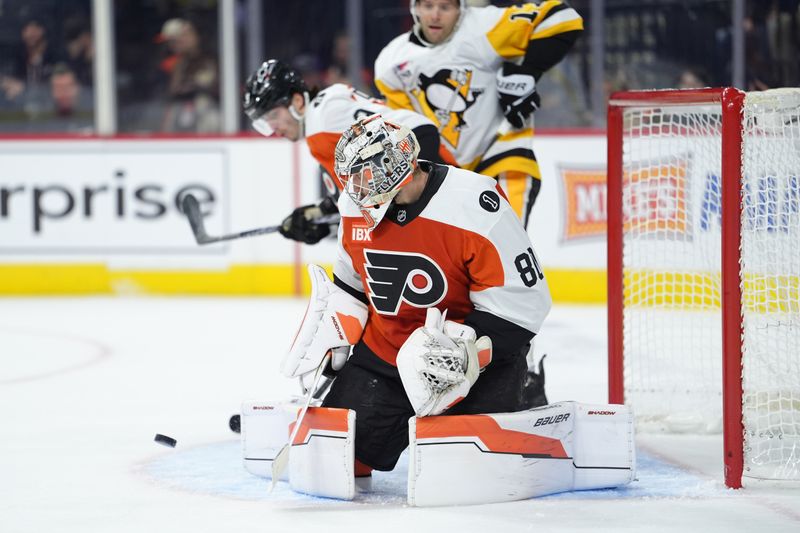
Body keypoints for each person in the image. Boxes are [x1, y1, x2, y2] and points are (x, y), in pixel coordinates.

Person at [282, 115, 552, 474]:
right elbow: (352, 287)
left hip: (468, 365)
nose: (355, 189)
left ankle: (523, 397)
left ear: (393, 167)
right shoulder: (353, 207)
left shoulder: (474, 202)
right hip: (386, 354)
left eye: (365, 175)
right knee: (337, 466)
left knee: (465, 474)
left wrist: (465, 355)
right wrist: (335, 339)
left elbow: (523, 303)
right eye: (352, 177)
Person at [374, 0, 583, 228]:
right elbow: (407, 125)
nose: (435, 15)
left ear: (460, 9)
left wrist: (527, 72)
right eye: (428, 6)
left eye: (445, 7)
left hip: (502, 154)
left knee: (507, 241)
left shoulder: (484, 26)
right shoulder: (391, 61)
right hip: (447, 169)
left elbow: (563, 18)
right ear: (415, 8)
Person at [242, 59, 456, 245]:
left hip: (433, 169)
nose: (272, 129)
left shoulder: (321, 127)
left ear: (297, 102)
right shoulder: (325, 110)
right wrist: (318, 215)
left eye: (272, 117)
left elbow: (419, 131)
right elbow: (359, 197)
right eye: (264, 123)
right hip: (435, 166)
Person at [156, 18, 220, 132]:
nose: (171, 46)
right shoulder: (174, 62)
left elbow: (210, 87)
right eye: (169, 43)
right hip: (179, 120)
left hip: (204, 120)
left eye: (175, 41)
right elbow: (171, 92)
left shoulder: (209, 60)